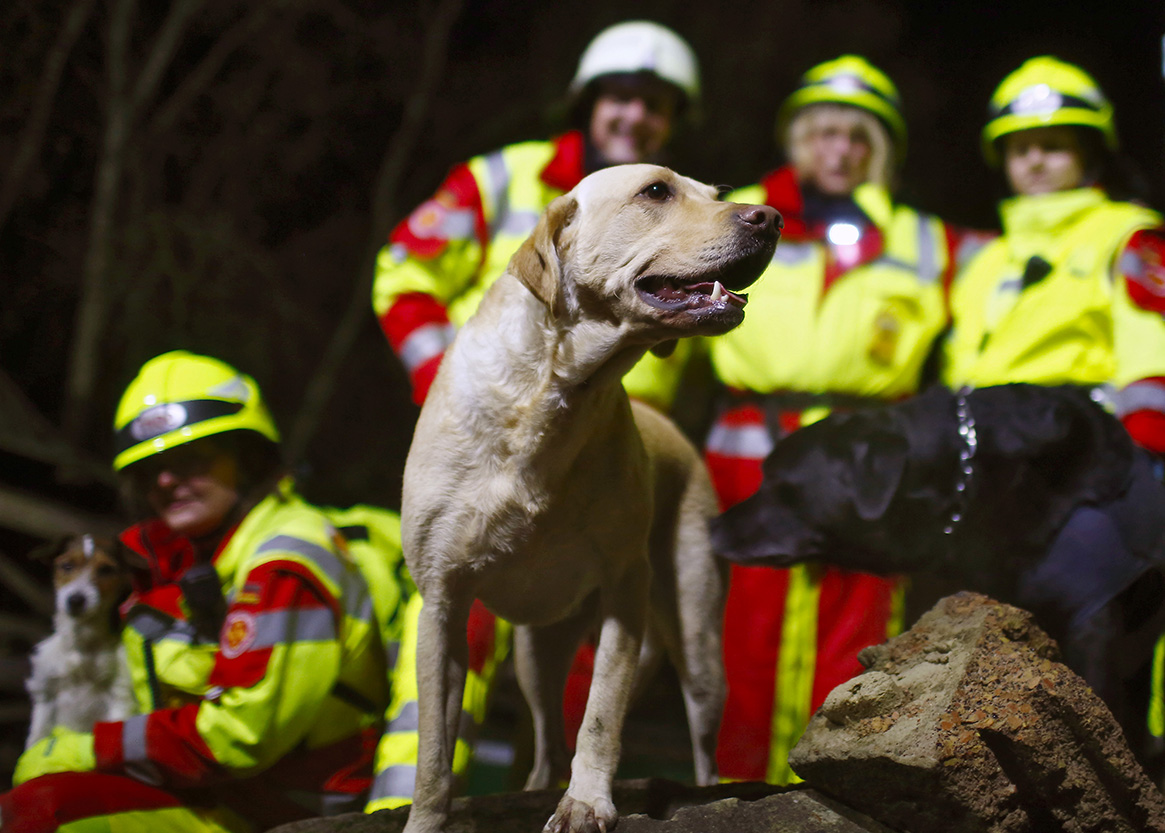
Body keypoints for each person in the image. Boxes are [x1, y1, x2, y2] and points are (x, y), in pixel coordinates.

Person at [365, 20, 702, 811]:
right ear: (590, 101)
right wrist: (442, 381)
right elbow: (403, 268)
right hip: (488, 434)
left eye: (654, 105)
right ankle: (404, 804)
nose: (634, 116)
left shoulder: (680, 208)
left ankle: (557, 790)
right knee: (457, 632)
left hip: (609, 443)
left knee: (584, 657)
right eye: (619, 96)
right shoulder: (503, 177)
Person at [1, 351, 406, 832]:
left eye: (191, 460)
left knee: (43, 812)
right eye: (151, 470)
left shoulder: (287, 558)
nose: (167, 481)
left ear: (248, 458)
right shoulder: (180, 557)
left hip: (287, 815)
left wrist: (80, 750)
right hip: (216, 795)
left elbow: (243, 734)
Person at [705, 55, 971, 785]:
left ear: (878, 149)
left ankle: (834, 797)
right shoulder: (734, 215)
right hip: (750, 456)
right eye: (823, 132)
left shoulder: (926, 239)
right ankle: (731, 798)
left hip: (872, 464)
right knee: (744, 639)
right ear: (798, 138)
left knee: (859, 636)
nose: (838, 150)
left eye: (857, 137)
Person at [941, 56, 1165, 767]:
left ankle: (1117, 790)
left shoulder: (1126, 233)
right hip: (992, 484)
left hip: (1089, 477)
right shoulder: (985, 258)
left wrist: (1142, 470)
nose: (1033, 160)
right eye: (1019, 146)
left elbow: (1149, 348)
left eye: (1053, 143)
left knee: (1094, 647)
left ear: (1090, 149)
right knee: (993, 649)